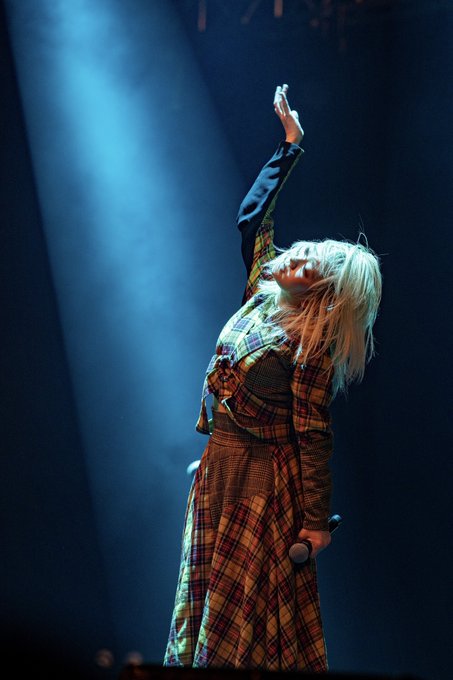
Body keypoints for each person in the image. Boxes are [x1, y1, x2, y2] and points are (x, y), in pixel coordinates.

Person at [163, 84, 382, 672]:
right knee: (197, 608)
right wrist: (290, 146)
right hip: (219, 471)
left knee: (238, 626)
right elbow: (252, 218)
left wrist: (314, 522)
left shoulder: (309, 348)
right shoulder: (262, 293)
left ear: (320, 292)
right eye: (303, 248)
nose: (293, 255)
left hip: (262, 488)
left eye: (307, 262)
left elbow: (313, 436)